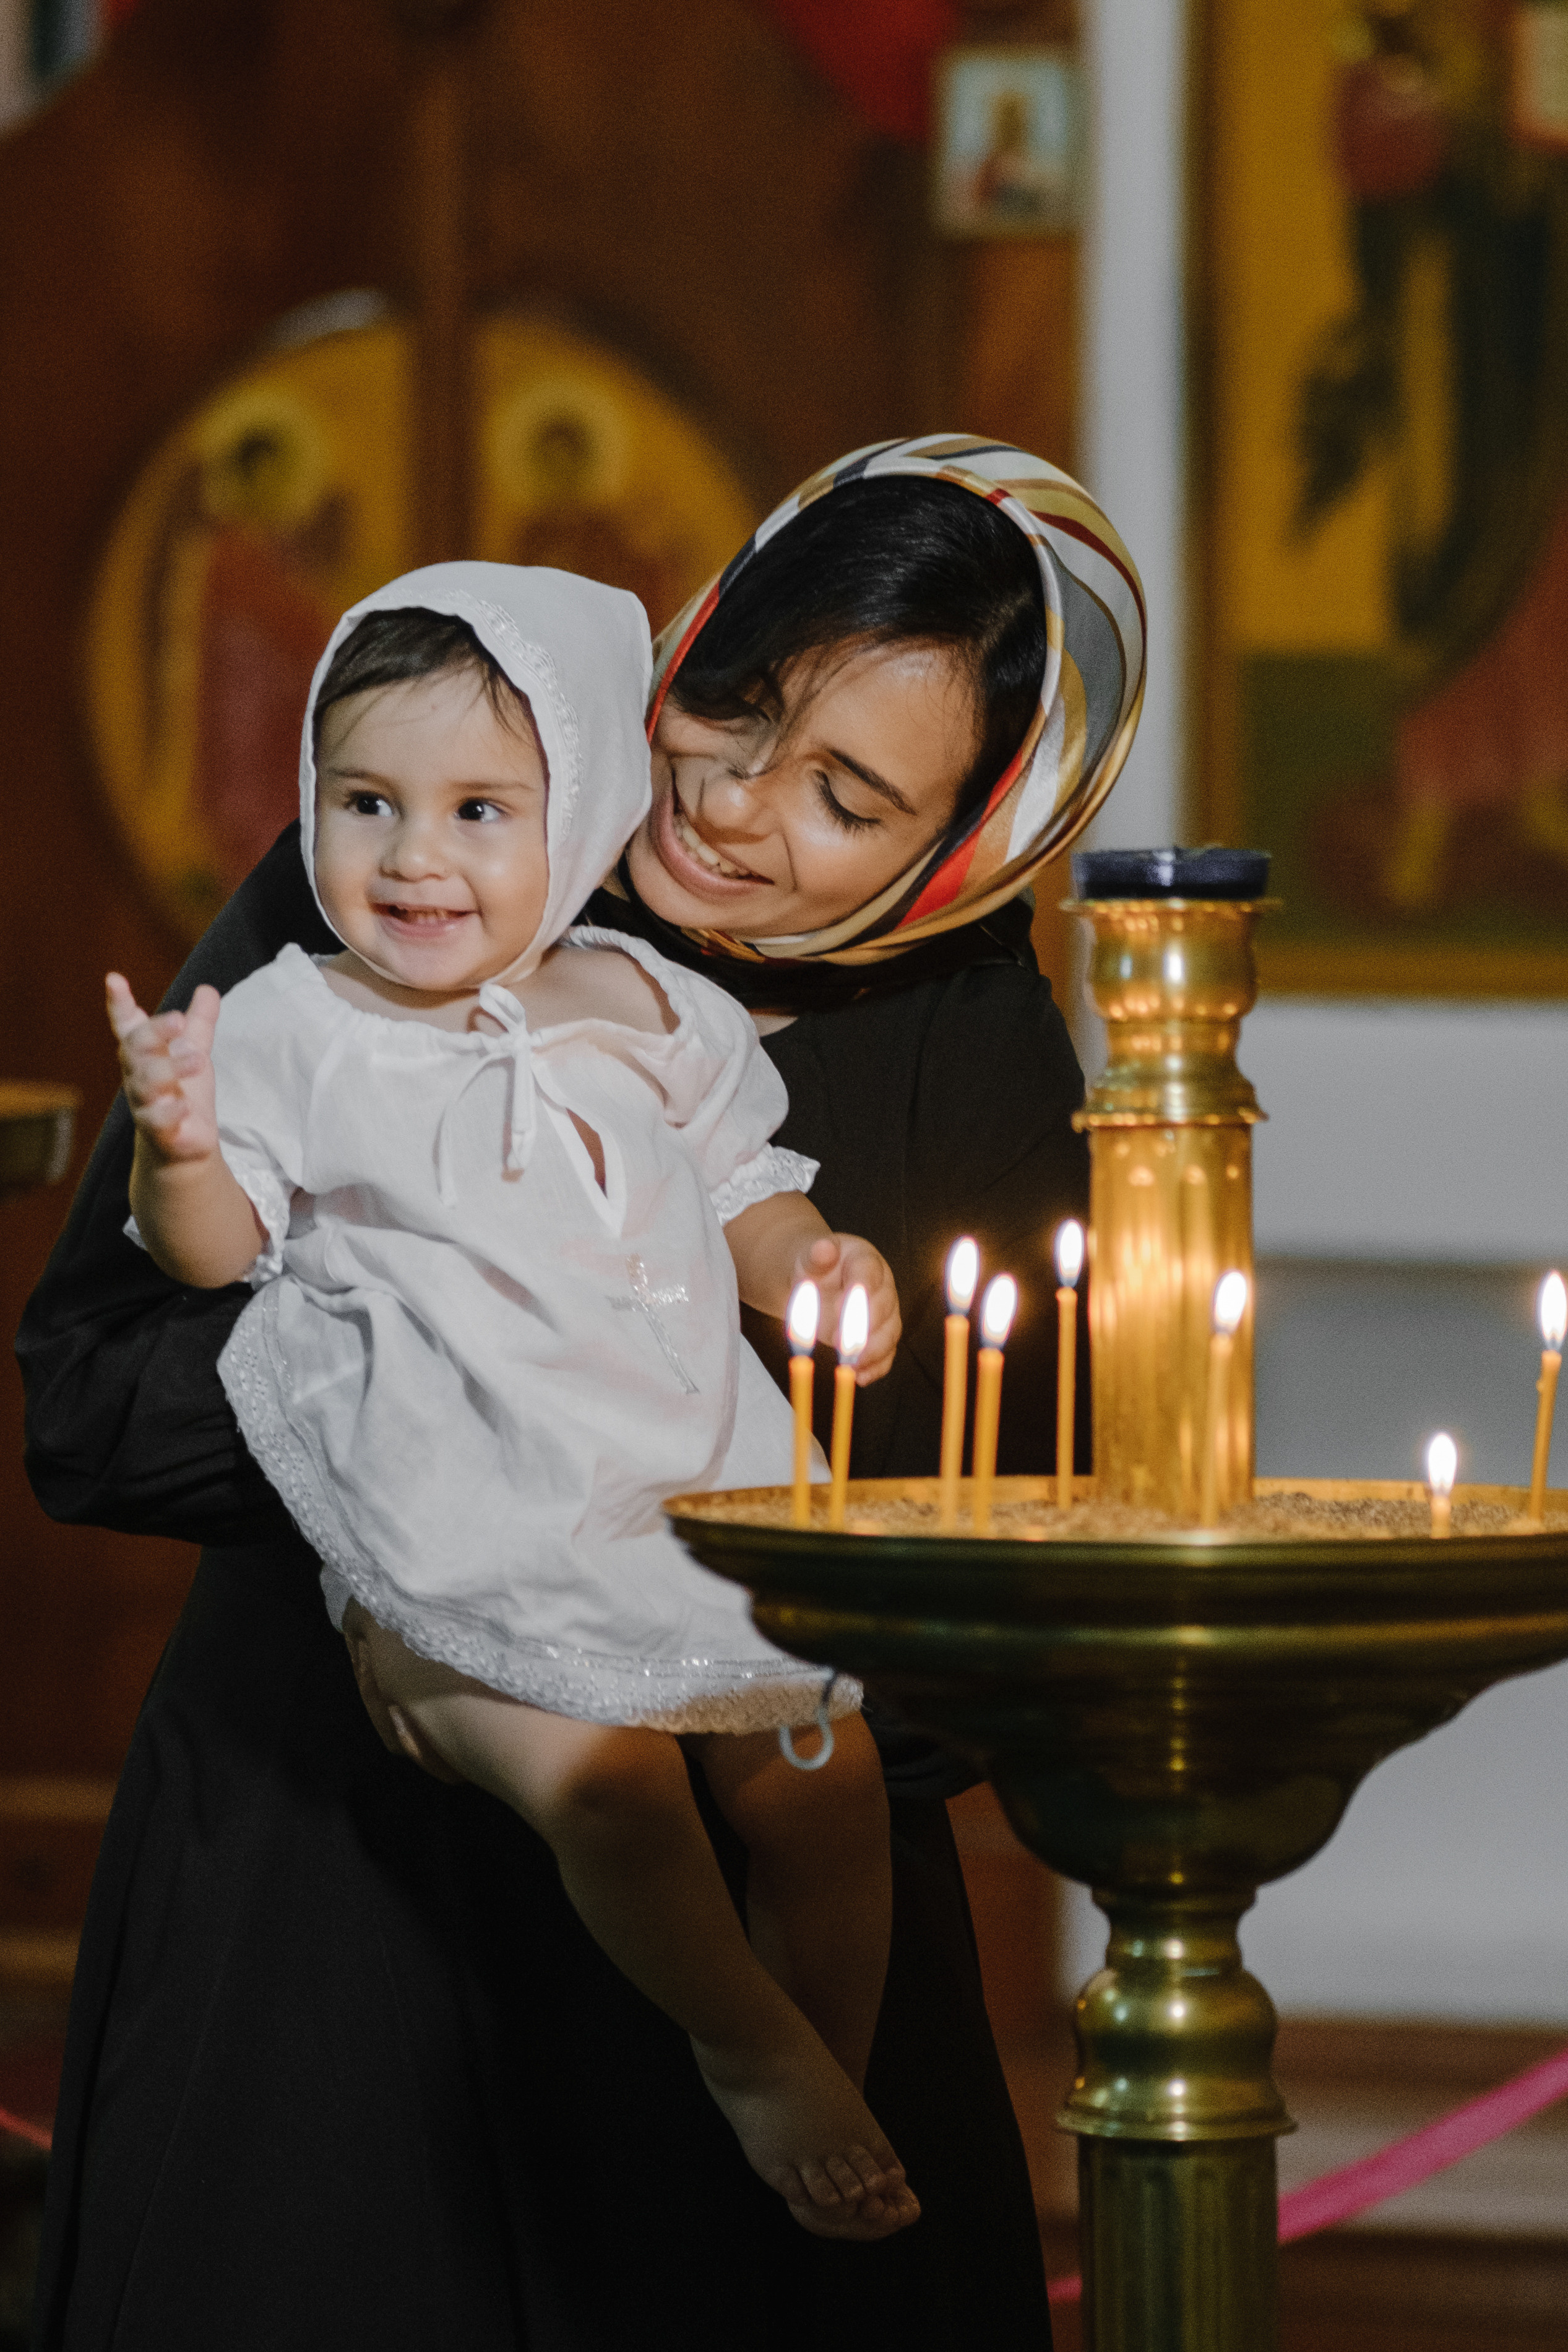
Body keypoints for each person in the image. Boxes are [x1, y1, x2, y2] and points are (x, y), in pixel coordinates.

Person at [20, 434, 1143, 2351]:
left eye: (848, 796)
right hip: (344, 1890)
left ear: (966, 846)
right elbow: (93, 1394)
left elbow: (998, 1589)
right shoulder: (419, 855)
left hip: (767, 1911)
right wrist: (401, 1509)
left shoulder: (971, 1049)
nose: (724, 804)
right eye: (730, 701)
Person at [104, 560, 916, 2242]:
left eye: (481, 809)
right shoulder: (293, 1026)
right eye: (366, 803)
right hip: (451, 1521)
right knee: (607, 1787)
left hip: (677, 1504)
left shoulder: (647, 1005)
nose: (414, 858)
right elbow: (208, 1260)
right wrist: (181, 1143)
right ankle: (752, 2054)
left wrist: (821, 1264)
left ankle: (822, 2073)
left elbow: (749, 1189)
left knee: (827, 1788)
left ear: (590, 812)